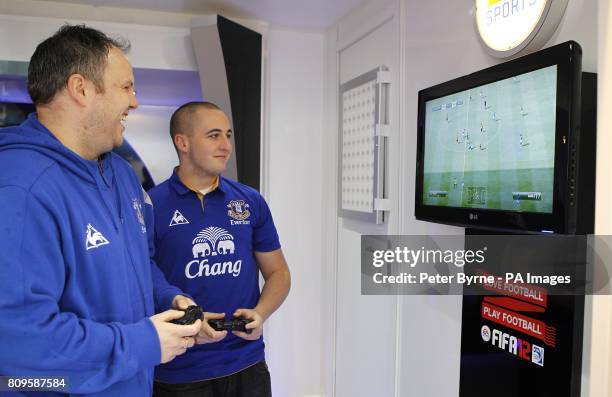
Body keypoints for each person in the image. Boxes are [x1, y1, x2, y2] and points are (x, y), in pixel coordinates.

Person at [0, 25, 202, 396]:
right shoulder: (19, 188)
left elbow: (140, 262)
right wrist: (144, 343)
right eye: (126, 87)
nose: (135, 101)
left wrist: (168, 298)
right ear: (81, 89)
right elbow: (19, 343)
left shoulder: (123, 175)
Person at [149, 102, 291, 397]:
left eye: (228, 135)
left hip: (247, 364)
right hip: (180, 372)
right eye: (214, 135)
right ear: (182, 142)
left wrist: (261, 314)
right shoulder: (150, 205)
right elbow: (142, 279)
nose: (226, 145)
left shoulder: (250, 201)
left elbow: (278, 272)